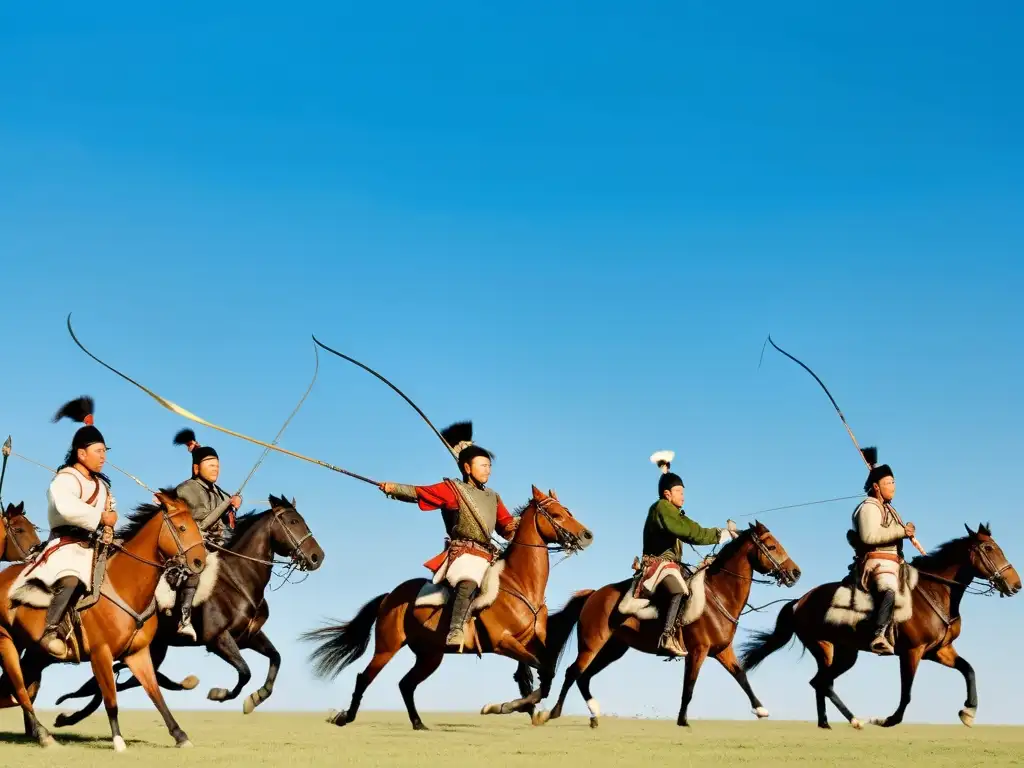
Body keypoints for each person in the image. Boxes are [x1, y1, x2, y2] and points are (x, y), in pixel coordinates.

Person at [378, 422, 518, 651]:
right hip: (464, 553)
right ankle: (455, 629)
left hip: (489, 554)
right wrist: (393, 488)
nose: (488, 470)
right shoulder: (452, 489)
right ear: (467, 467)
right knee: (469, 581)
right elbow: (419, 492)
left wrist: (523, 525)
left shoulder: (493, 496)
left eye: (489, 466)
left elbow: (505, 526)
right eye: (483, 465)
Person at [28, 397, 118, 657]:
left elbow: (111, 512)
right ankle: (50, 630)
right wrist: (101, 517)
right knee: (70, 579)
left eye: (105, 452)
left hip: (95, 545)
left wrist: (111, 524)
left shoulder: (103, 485)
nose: (104, 457)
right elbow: (66, 507)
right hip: (66, 545)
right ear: (81, 453)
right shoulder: (65, 478)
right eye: (99, 451)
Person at [641, 451, 736, 657]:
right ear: (667, 494)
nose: (683, 496)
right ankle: (667, 636)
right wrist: (723, 534)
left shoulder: (674, 512)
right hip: (657, 564)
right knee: (679, 590)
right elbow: (691, 533)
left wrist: (723, 533)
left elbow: (694, 528)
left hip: (671, 564)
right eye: (679, 491)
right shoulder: (662, 508)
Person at [171, 428, 242, 640]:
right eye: (210, 465)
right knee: (194, 567)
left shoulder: (220, 492)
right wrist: (227, 504)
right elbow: (204, 520)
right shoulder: (186, 488)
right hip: (191, 544)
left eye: (217, 465)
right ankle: (184, 619)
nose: (215, 469)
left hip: (218, 544)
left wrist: (233, 507)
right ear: (196, 468)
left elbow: (227, 524)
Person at [850, 447, 916, 655]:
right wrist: (901, 531)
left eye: (894, 482)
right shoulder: (868, 507)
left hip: (895, 561)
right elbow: (869, 536)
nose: (893, 487)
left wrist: (905, 531)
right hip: (876, 561)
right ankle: (878, 634)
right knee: (889, 589)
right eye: (889, 483)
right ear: (876, 487)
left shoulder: (888, 508)